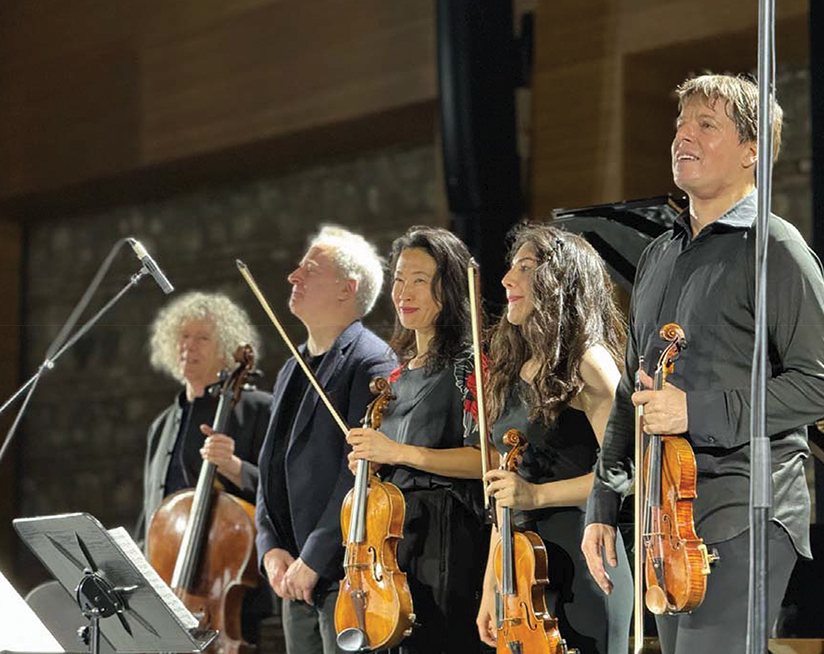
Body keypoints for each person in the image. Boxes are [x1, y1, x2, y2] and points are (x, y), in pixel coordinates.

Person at [581, 73, 824, 653]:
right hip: (663, 518)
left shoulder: (776, 248)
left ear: (754, 152)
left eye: (706, 125)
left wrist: (694, 410)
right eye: (680, 125)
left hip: (744, 510)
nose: (683, 136)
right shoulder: (659, 254)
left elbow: (823, 386)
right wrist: (603, 502)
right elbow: (635, 388)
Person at [474, 224, 632, 653]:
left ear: (560, 282)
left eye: (525, 268)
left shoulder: (589, 362)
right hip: (520, 569)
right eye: (510, 267)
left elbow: (625, 471)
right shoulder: (512, 367)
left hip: (585, 560)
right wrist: (492, 585)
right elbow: (505, 493)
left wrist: (536, 496)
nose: (507, 279)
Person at [255, 225, 395, 654]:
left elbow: (360, 474)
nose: (293, 277)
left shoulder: (371, 362)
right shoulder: (292, 366)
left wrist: (315, 556)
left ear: (346, 289)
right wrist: (269, 544)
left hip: (341, 575)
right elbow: (271, 465)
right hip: (294, 575)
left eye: (309, 269)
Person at [346, 226, 487, 654]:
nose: (404, 292)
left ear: (448, 288)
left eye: (420, 281)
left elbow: (488, 459)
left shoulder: (471, 363)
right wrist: (369, 465)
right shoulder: (395, 375)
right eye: (399, 280)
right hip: (394, 544)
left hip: (447, 541)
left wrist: (397, 452)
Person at [142, 291, 274, 641]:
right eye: (183, 337)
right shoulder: (161, 425)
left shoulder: (258, 409)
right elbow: (152, 513)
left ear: (226, 349)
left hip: (231, 591)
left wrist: (233, 466)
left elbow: (282, 493)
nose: (189, 346)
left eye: (202, 338)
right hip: (168, 588)